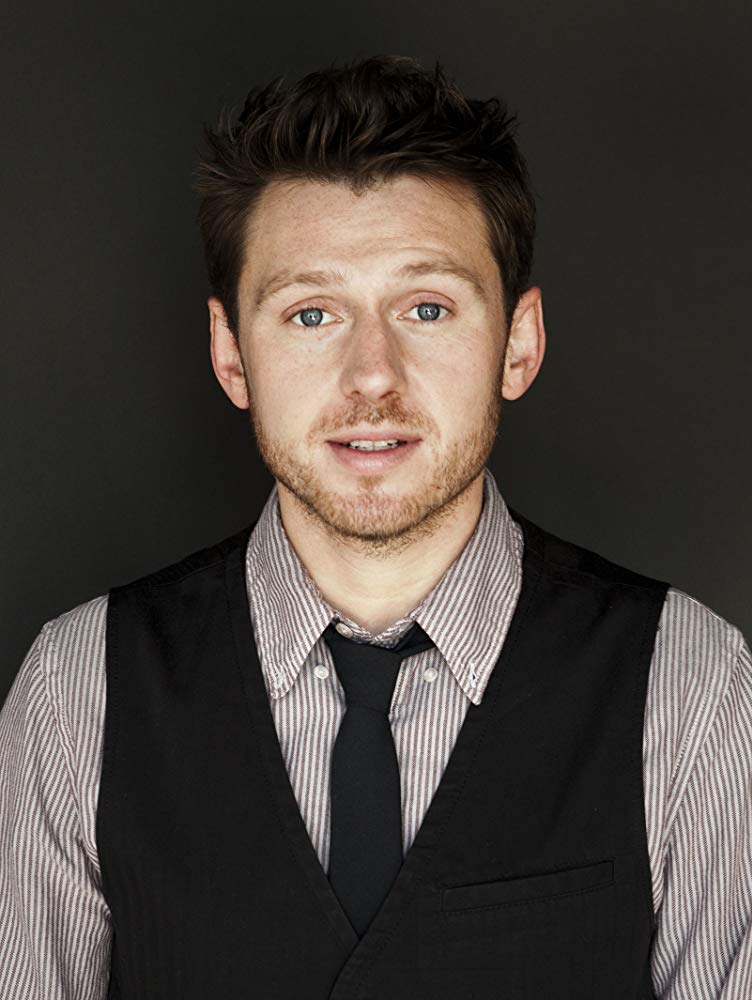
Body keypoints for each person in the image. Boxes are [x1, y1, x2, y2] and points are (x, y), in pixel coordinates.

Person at [0, 55, 749, 1000]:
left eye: (426, 307)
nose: (372, 376)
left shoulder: (691, 689)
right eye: (312, 313)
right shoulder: (77, 692)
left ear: (518, 344)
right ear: (231, 355)